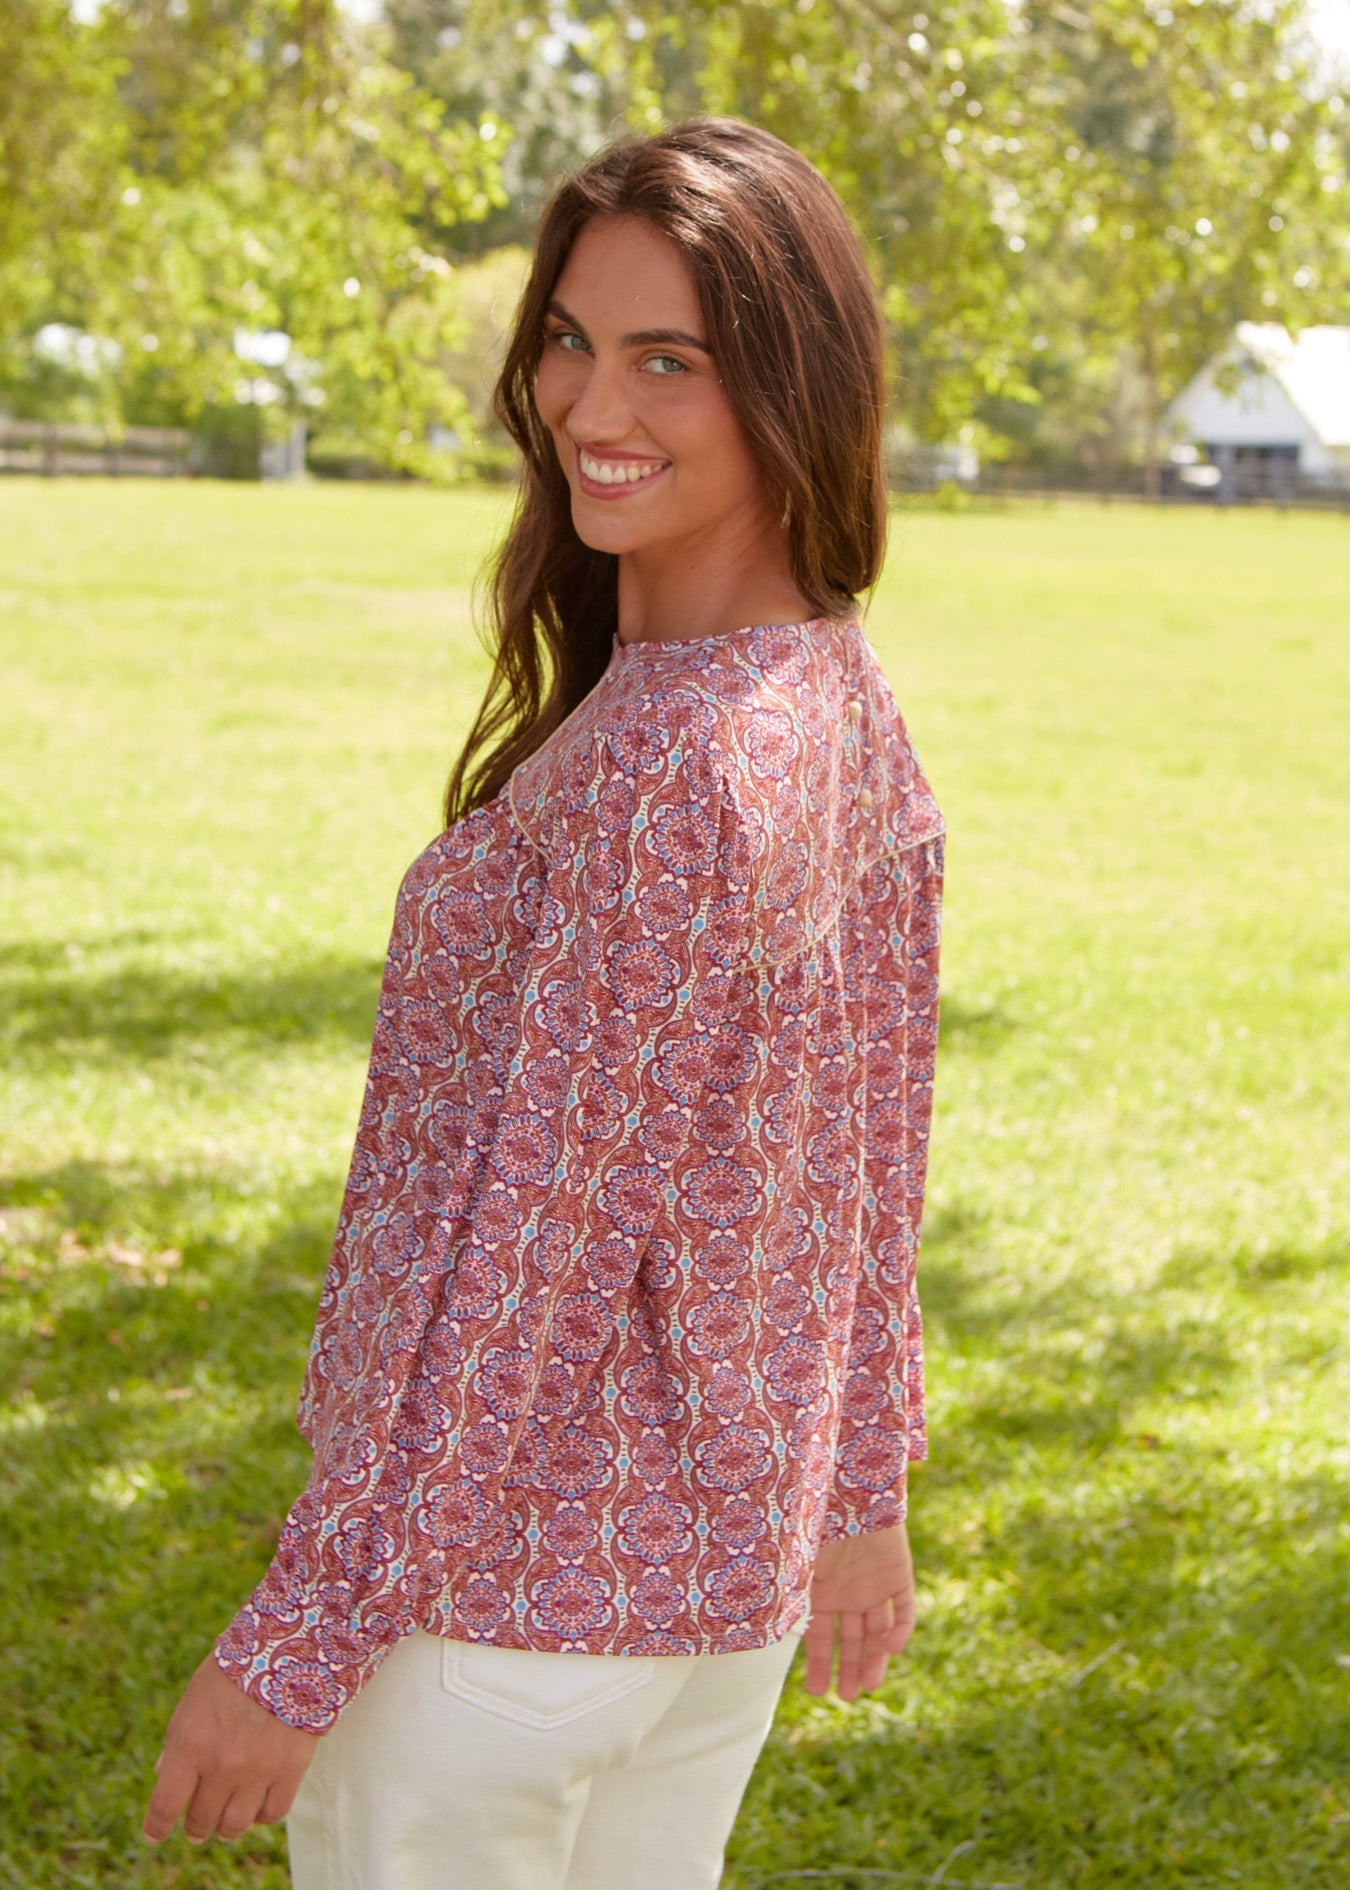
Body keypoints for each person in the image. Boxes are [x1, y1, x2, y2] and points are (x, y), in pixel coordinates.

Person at [142, 115, 945, 1889]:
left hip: (500, 1616)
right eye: (572, 340)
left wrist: (298, 1638)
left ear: (791, 387)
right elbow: (871, 1151)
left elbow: (534, 1248)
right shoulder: (830, 696)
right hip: (707, 1607)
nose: (592, 406)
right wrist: (863, 1492)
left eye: (671, 360)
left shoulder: (681, 763)